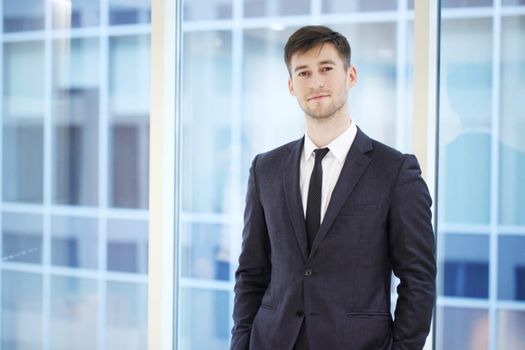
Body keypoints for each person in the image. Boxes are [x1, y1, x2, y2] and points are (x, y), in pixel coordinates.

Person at [230, 25, 436, 350]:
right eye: (303, 73)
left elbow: (418, 279)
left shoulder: (395, 171)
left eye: (326, 69)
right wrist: (241, 342)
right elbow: (251, 272)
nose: (316, 82)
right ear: (291, 86)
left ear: (351, 75)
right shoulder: (265, 169)